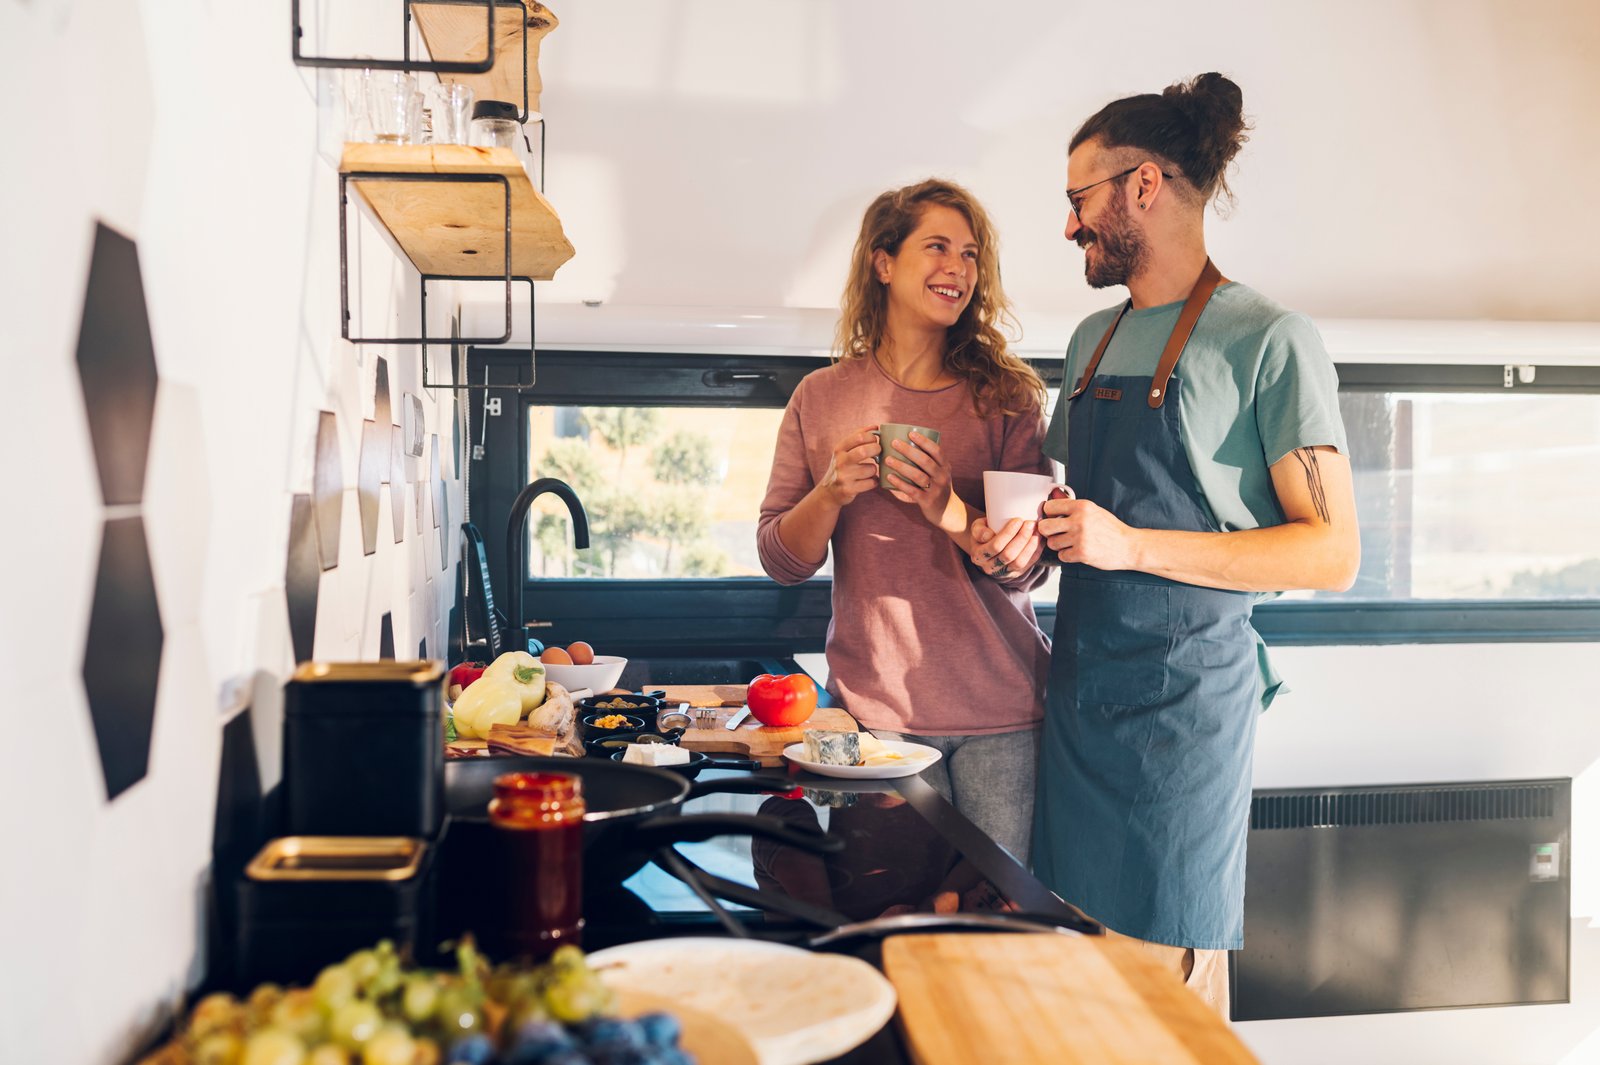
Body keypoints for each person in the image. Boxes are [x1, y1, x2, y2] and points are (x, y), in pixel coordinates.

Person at [969, 73, 1360, 1015]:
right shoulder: (1095, 339)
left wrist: (1132, 544)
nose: (1070, 227)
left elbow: (1330, 552)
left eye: (1079, 200)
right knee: (1079, 990)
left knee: (1158, 1006)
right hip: (1080, 701)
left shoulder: (1268, 339)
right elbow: (1084, 523)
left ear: (1143, 185)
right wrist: (1028, 546)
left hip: (1180, 722)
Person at [756, 179, 1052, 862]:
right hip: (876, 719)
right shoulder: (820, 398)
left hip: (1003, 713)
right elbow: (780, 558)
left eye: (971, 254)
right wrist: (829, 493)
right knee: (888, 921)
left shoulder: (1005, 397)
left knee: (993, 929)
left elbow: (1028, 563)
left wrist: (947, 510)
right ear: (883, 262)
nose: (959, 268)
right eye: (938, 247)